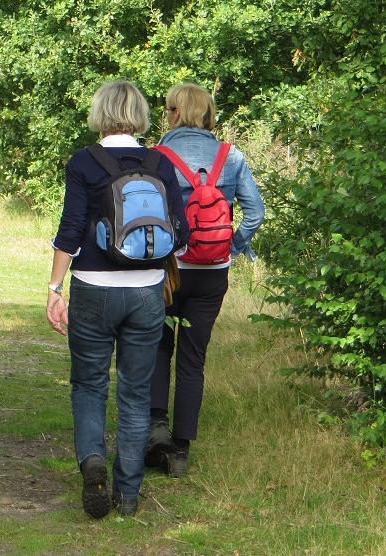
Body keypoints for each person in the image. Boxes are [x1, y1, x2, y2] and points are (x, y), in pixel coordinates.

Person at [46, 80, 188, 518]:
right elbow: (180, 236)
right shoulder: (160, 163)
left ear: (100, 113)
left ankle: (92, 464)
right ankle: (128, 495)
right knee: (135, 391)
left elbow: (70, 231)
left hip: (91, 287)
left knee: (89, 383)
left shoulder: (84, 162)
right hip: (146, 292)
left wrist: (54, 288)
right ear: (142, 115)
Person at [146, 82, 265, 477]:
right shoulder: (231, 158)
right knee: (194, 357)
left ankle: (155, 429)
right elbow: (256, 213)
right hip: (212, 273)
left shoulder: (157, 156)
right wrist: (231, 247)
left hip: (168, 270)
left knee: (161, 347)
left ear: (176, 112)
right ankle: (180, 451)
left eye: (167, 109)